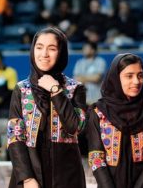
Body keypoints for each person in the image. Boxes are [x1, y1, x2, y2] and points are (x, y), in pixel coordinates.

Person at [7, 27, 87, 188]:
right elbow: (15, 136)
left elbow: (75, 127)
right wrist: (27, 178)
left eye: (52, 49)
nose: (44, 54)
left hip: (67, 175)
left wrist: (56, 90)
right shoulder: (21, 89)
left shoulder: (75, 88)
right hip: (29, 172)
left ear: (61, 53)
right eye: (39, 47)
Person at [86, 53, 143, 188]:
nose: (137, 81)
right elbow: (96, 157)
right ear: (116, 78)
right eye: (129, 76)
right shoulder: (98, 112)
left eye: (140, 75)